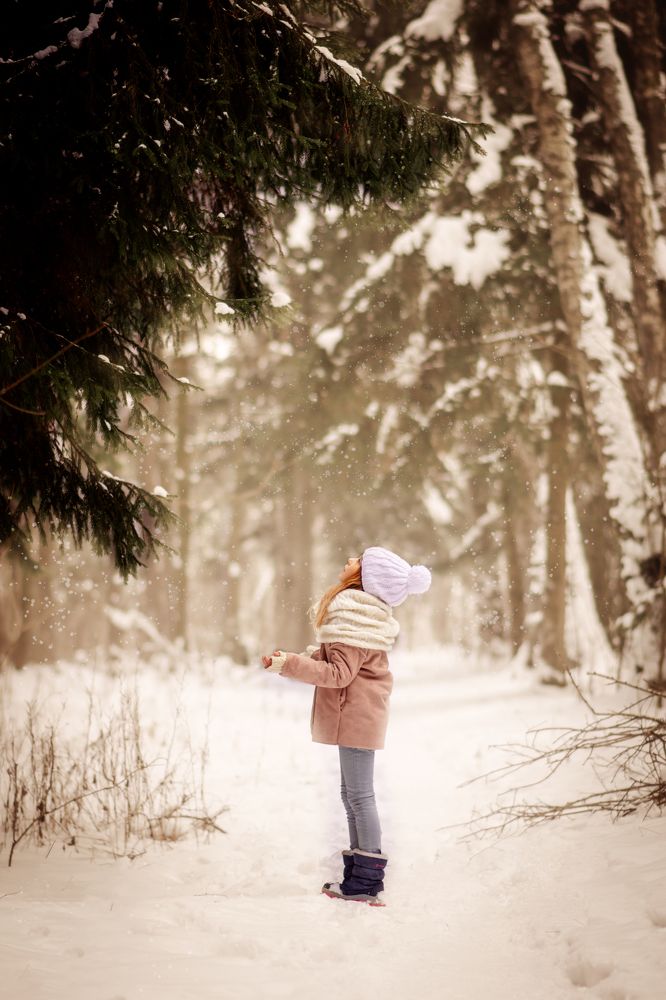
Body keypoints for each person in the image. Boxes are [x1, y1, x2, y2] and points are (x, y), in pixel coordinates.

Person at [262, 545, 431, 906]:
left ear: (364, 576)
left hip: (356, 713)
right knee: (351, 794)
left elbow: (339, 674)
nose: (349, 560)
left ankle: (366, 883)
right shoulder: (360, 619)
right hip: (359, 711)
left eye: (358, 559)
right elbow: (343, 665)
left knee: (359, 795)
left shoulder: (353, 621)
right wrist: (305, 659)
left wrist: (290, 664)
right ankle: (358, 877)